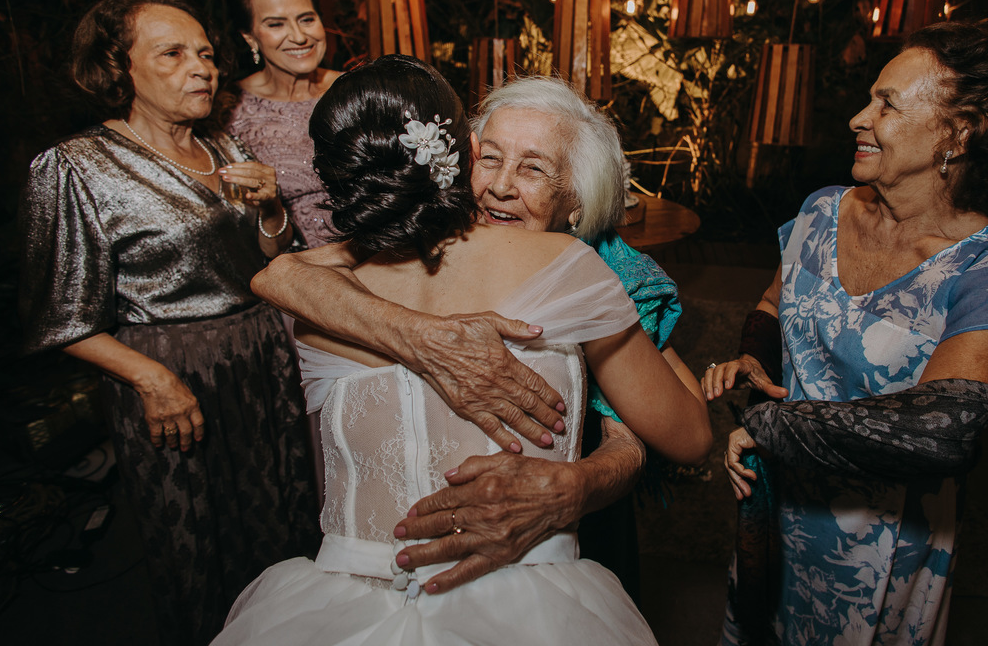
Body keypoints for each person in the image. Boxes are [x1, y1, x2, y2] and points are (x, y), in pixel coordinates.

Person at [211, 55, 711, 645]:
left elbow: (281, 274)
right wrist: (422, 336)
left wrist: (599, 463)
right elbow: (283, 274)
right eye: (492, 158)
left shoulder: (329, 294)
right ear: (463, 156)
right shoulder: (571, 268)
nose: (500, 184)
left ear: (577, 197)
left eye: (532, 169)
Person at [702, 22, 988, 646]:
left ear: (961, 132)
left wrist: (770, 426)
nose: (857, 117)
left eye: (887, 104)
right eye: (870, 97)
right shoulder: (823, 211)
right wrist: (753, 357)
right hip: (778, 502)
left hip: (885, 539)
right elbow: (774, 299)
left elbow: (941, 429)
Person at [18, 0, 320, 646]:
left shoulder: (225, 146)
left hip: (262, 356)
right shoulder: (74, 166)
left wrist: (271, 208)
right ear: (118, 68)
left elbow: (273, 258)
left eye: (207, 54)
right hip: (171, 373)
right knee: (197, 544)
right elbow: (61, 318)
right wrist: (152, 381)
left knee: (284, 525)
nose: (203, 69)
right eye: (174, 53)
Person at [221, 0, 341, 248]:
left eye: (307, 19)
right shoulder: (229, 109)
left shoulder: (358, 88)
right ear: (249, 37)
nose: (300, 37)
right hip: (290, 267)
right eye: (276, 24)